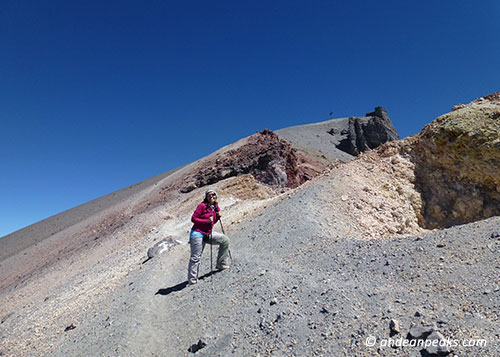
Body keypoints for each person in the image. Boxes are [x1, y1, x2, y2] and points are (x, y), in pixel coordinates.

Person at [187, 189, 230, 285]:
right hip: (197, 234)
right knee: (195, 258)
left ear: (216, 196)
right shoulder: (202, 206)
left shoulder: (215, 207)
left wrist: (218, 217)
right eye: (209, 195)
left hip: (207, 233)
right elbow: (193, 219)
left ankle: (220, 264)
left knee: (224, 240)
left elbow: (212, 223)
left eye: (213, 194)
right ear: (206, 197)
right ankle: (192, 281)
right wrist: (206, 221)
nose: (211, 196)